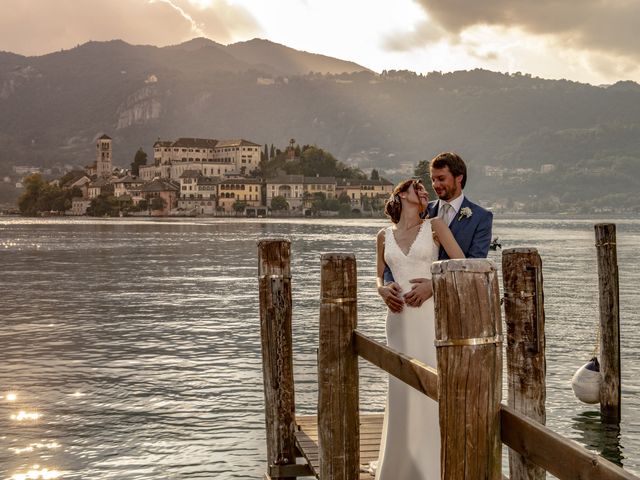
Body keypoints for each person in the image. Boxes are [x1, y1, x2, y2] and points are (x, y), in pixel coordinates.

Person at [371, 178, 464, 479]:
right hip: (397, 319)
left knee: (429, 387)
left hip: (427, 316)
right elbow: (379, 277)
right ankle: (399, 465)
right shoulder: (383, 235)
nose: (425, 192)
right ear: (401, 194)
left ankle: (431, 466)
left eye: (426, 189)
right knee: (401, 389)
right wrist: (382, 291)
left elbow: (460, 264)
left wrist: (434, 286)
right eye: (418, 188)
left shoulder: (435, 226)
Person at [379, 152, 493, 313]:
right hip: (413, 305)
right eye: (433, 179)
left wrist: (434, 285)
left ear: (459, 178)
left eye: (441, 179)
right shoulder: (421, 209)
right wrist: (388, 284)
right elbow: (393, 252)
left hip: (458, 306)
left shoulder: (481, 217)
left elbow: (474, 265)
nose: (435, 184)